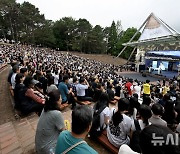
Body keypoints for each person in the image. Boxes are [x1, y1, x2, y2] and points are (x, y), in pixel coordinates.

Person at [35, 90, 65, 154]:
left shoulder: (45, 109)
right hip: (48, 150)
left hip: (39, 146)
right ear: (56, 102)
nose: (61, 100)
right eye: (60, 99)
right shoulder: (57, 114)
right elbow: (63, 131)